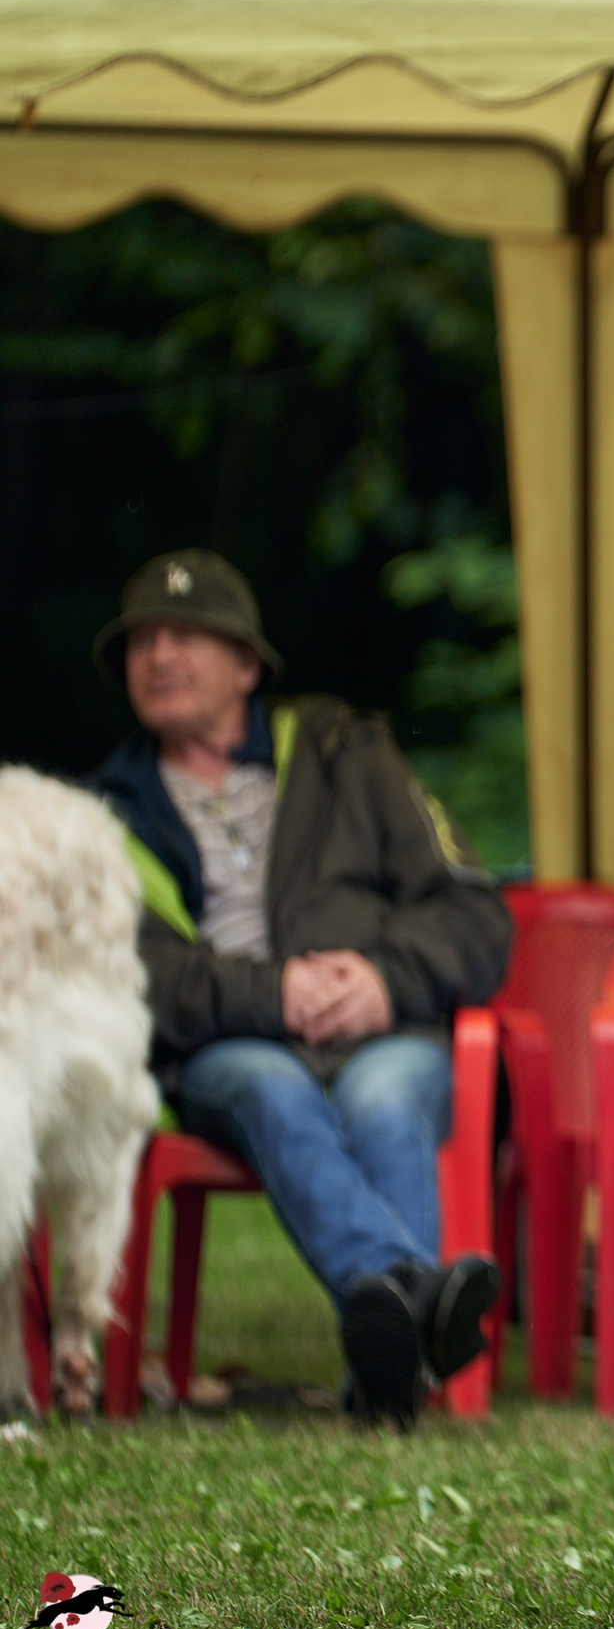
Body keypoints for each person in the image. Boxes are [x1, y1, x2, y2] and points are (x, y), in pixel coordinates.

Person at [88, 549, 511, 1425]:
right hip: (229, 1049)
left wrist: (384, 979)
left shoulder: (345, 751)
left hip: (384, 1034)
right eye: (141, 641)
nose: (159, 655)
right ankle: (419, 1298)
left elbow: (474, 914)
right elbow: (137, 972)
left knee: (387, 1099)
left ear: (247, 663)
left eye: (186, 635)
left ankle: (388, 1365)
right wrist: (272, 993)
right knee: (269, 1087)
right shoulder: (109, 813)